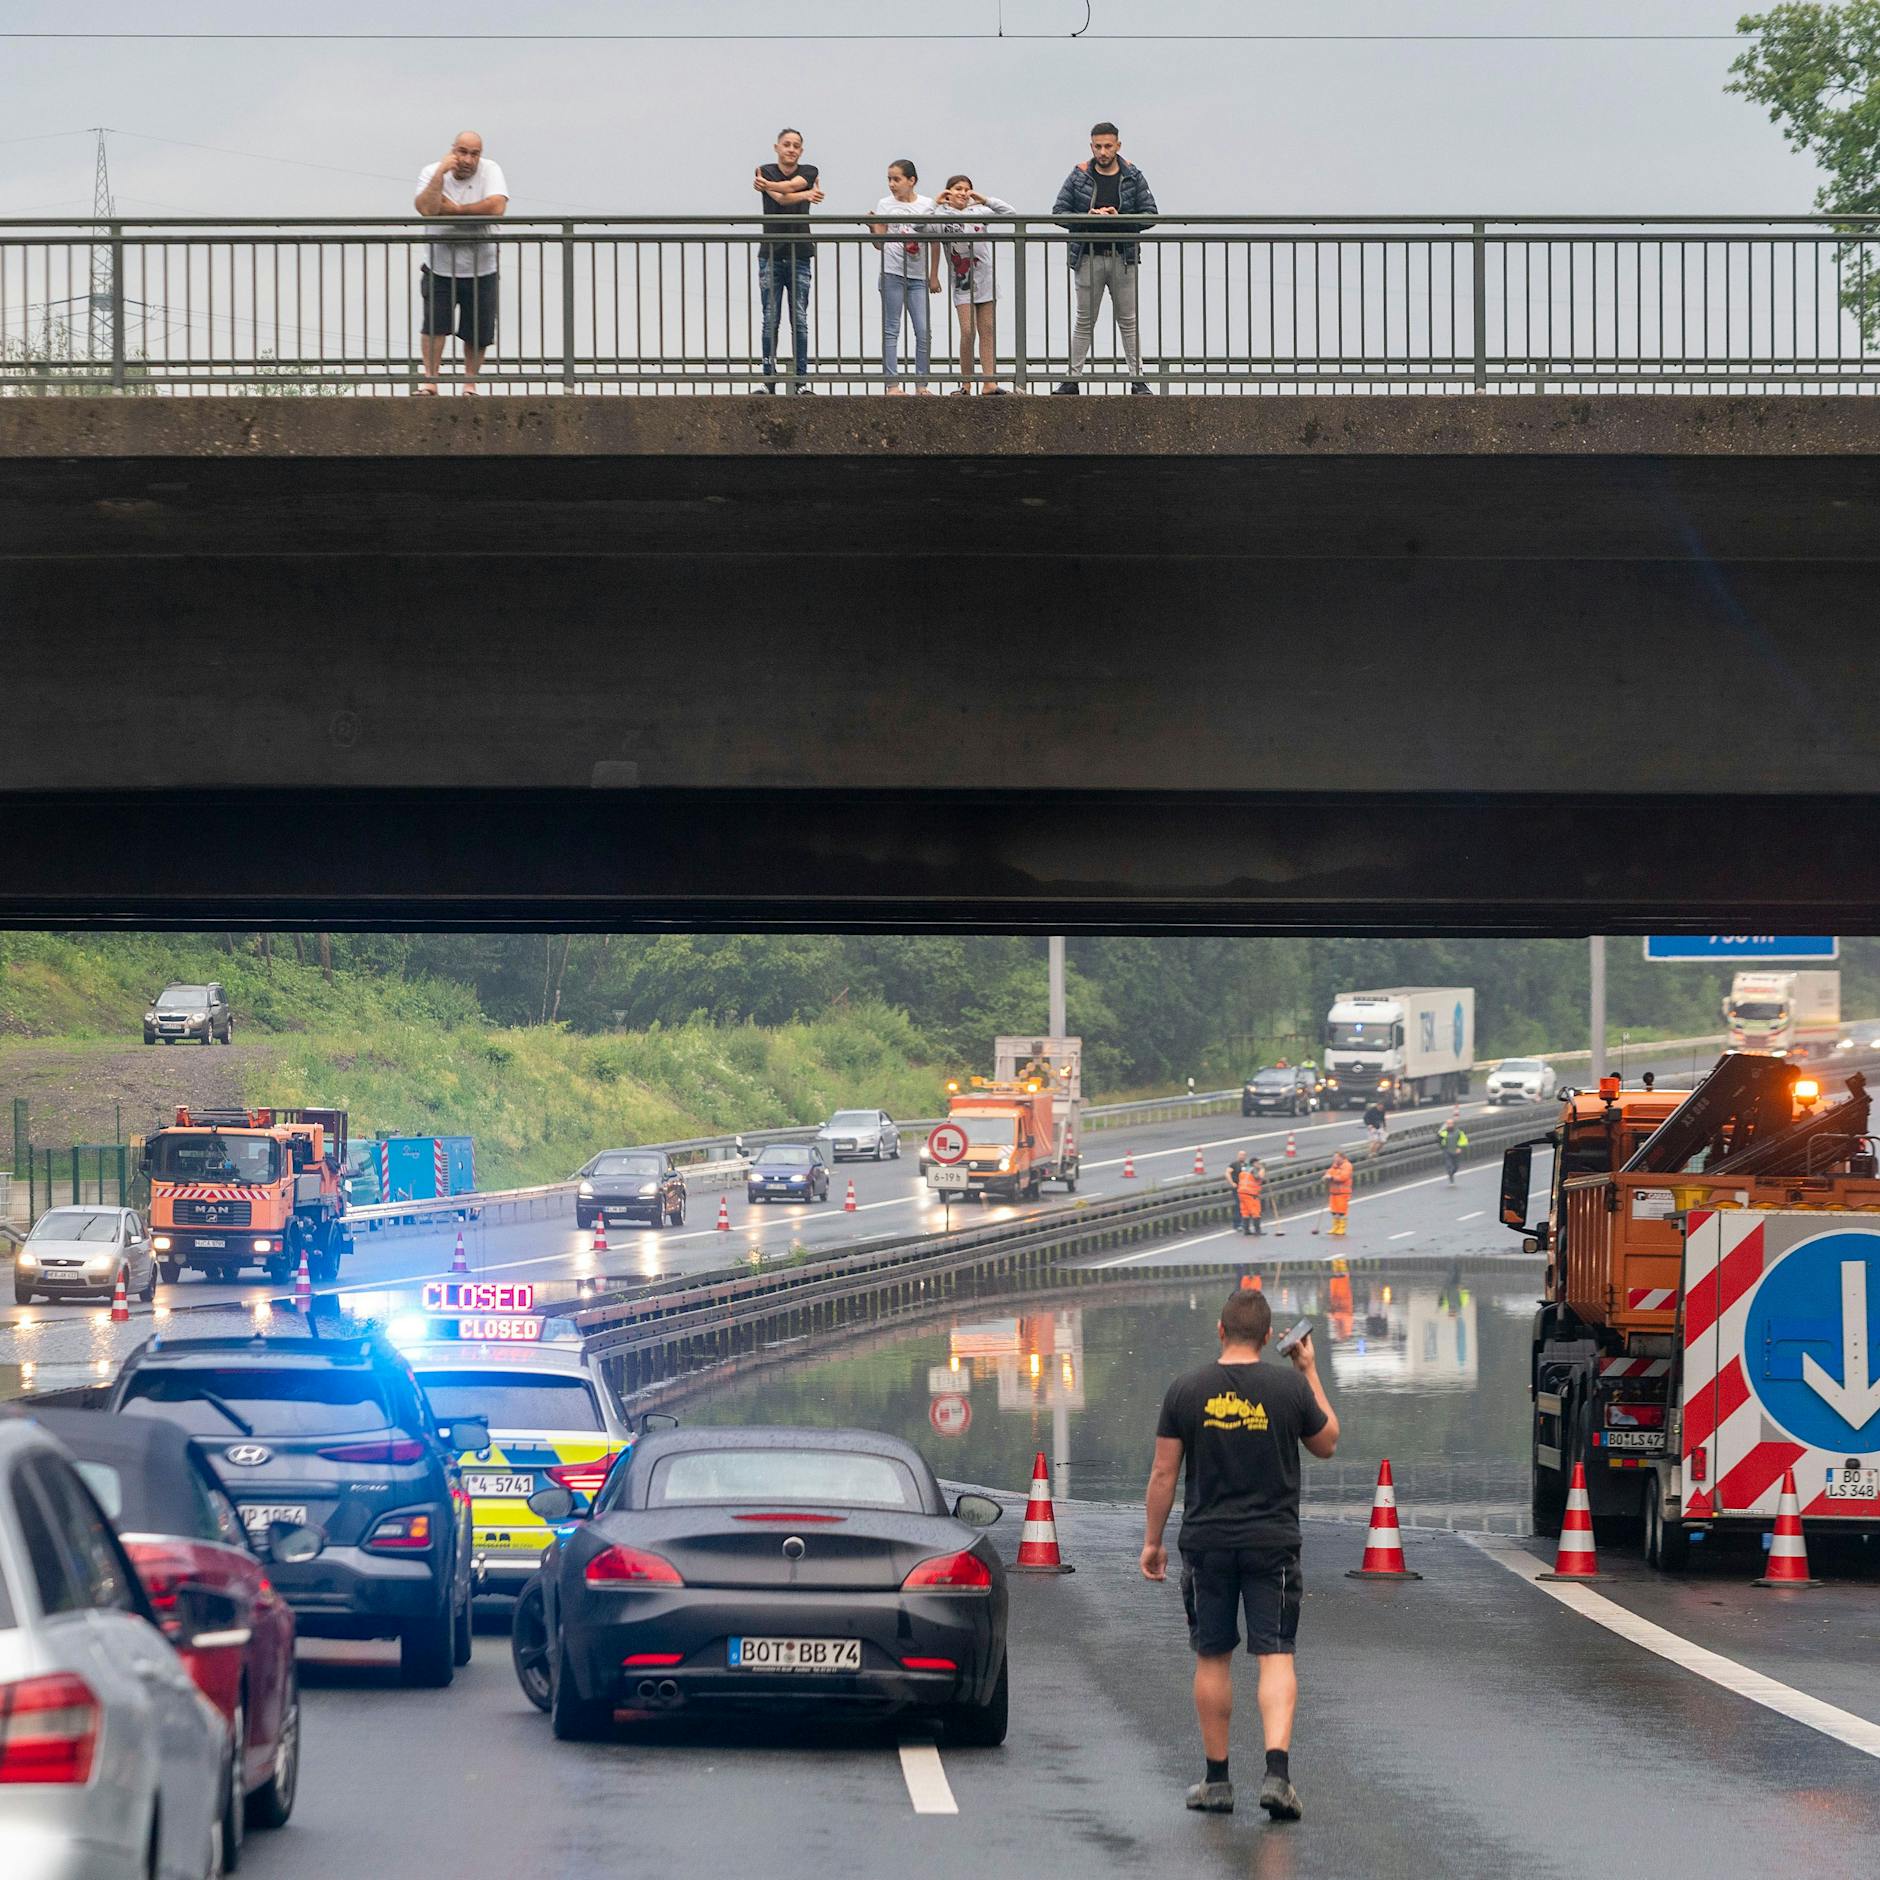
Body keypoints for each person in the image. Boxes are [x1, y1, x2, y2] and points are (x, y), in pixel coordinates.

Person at [1142, 1287, 1339, 1823]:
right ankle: (1277, 1776)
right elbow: (1328, 1442)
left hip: (1206, 1543)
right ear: (1269, 1335)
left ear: (1221, 1330)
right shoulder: (1288, 1388)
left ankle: (1217, 1781)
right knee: (1275, 1654)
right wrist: (1309, 1369)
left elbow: (1163, 1473)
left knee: (1213, 1655)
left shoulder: (1186, 1390)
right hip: (1271, 1545)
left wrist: (1153, 1541)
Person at [1050, 121, 1158, 396]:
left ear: (1118, 146)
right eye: (1098, 146)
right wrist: (1085, 217)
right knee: (1084, 320)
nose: (1103, 151)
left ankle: (1138, 380)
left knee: (1128, 320)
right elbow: (1058, 212)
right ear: (1091, 146)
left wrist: (1119, 218)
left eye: (1108, 146)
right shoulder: (1079, 175)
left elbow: (1150, 215)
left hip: (1123, 257)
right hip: (1088, 255)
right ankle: (1071, 380)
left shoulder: (1132, 175)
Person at [414, 132, 509, 394]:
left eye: (474, 154)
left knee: (477, 332)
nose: (467, 159)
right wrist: (439, 176)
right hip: (439, 267)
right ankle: (430, 381)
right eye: (462, 152)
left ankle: (470, 383)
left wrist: (454, 211)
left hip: (482, 267)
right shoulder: (432, 172)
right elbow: (426, 208)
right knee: (434, 327)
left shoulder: (491, 171)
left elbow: (497, 207)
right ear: (452, 150)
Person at [752, 129, 824, 391]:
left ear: (801, 151)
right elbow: (781, 199)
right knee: (770, 318)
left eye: (796, 146)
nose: (791, 149)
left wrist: (773, 187)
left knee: (800, 320)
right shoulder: (766, 169)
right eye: (787, 145)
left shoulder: (810, 169)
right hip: (771, 253)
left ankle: (801, 381)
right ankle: (768, 379)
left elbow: (790, 188)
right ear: (777, 147)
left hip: (800, 253)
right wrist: (805, 195)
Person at [935, 175, 1017, 393]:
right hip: (962, 284)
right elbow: (918, 226)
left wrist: (985, 200)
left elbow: (1010, 213)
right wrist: (936, 202)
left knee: (987, 330)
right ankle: (966, 383)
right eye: (957, 189)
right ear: (948, 192)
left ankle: (989, 382)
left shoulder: (978, 212)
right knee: (968, 331)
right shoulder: (941, 216)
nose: (962, 193)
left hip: (986, 279)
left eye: (966, 189)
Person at [870, 161, 939, 394]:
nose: (892, 184)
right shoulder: (884, 204)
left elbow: (934, 238)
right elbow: (879, 244)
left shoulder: (927, 204)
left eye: (896, 179)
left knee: (923, 330)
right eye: (889, 179)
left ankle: (922, 384)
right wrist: (873, 227)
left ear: (912, 180)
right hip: (892, 272)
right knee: (892, 329)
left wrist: (933, 275)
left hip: (918, 275)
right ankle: (892, 384)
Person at [1325, 1149, 1353, 1237]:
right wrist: (1326, 1177)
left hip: (1343, 1192)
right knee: (1334, 1211)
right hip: (1334, 1192)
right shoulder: (1334, 1166)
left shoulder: (1347, 1166)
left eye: (1336, 1157)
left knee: (1341, 1211)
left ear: (1341, 1157)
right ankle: (1335, 1227)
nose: (1334, 1159)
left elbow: (1343, 1177)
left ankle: (1342, 1228)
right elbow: (1328, 1173)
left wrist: (1332, 1177)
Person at [1236, 1159, 1263, 1238]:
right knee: (1255, 1211)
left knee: (1245, 1211)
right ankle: (1257, 1231)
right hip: (1250, 1193)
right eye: (1258, 1163)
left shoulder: (1244, 1170)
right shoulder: (1253, 1170)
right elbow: (1257, 1178)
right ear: (1254, 1163)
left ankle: (1246, 1230)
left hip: (1241, 1192)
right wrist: (1262, 1171)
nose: (1259, 1164)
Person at [1440, 1118, 1469, 1185]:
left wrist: (1459, 1147)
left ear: (1453, 1124)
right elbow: (1439, 1140)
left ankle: (1452, 1173)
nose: (1449, 1125)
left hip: (1456, 1151)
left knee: (1456, 1167)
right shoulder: (1443, 1132)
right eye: (1448, 1124)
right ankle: (1450, 1175)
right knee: (1449, 1165)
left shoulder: (1458, 1132)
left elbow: (1464, 1140)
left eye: (1451, 1123)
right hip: (1447, 1151)